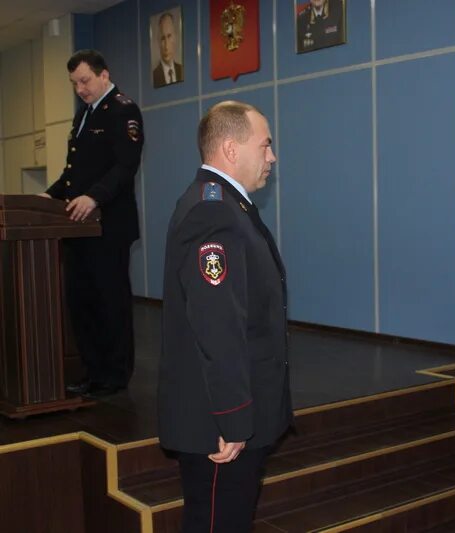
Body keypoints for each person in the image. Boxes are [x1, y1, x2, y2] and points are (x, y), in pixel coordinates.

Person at [158, 101, 293, 532]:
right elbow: (218, 325)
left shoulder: (225, 204)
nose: (271, 156)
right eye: (265, 145)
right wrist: (235, 419)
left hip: (225, 418)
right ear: (232, 150)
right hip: (220, 427)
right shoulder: (214, 212)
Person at [42, 49, 143, 398]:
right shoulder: (83, 115)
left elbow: (124, 166)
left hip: (107, 225)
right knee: (81, 301)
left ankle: (114, 374)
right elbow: (74, 174)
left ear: (104, 74)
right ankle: (92, 370)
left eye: (84, 81)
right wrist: (47, 197)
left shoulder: (123, 109)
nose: (80, 89)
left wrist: (94, 196)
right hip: (78, 228)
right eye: (74, 84)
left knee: (109, 301)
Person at [152, 11, 184, 88]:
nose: (166, 45)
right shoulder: (155, 75)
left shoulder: (181, 70)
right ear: (158, 41)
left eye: (169, 36)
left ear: (175, 37)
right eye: (163, 38)